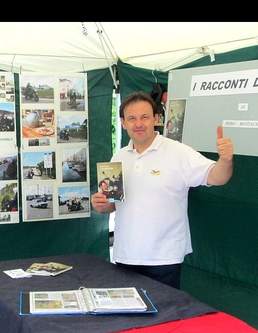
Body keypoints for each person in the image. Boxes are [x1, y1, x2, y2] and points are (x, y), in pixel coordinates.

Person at [90, 91, 233, 292]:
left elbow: (217, 177)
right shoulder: (118, 157)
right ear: (123, 122)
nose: (138, 123)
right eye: (132, 118)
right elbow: (112, 205)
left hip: (164, 258)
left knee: (163, 319)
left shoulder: (179, 152)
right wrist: (101, 205)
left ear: (156, 119)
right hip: (125, 255)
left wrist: (225, 160)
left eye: (144, 117)